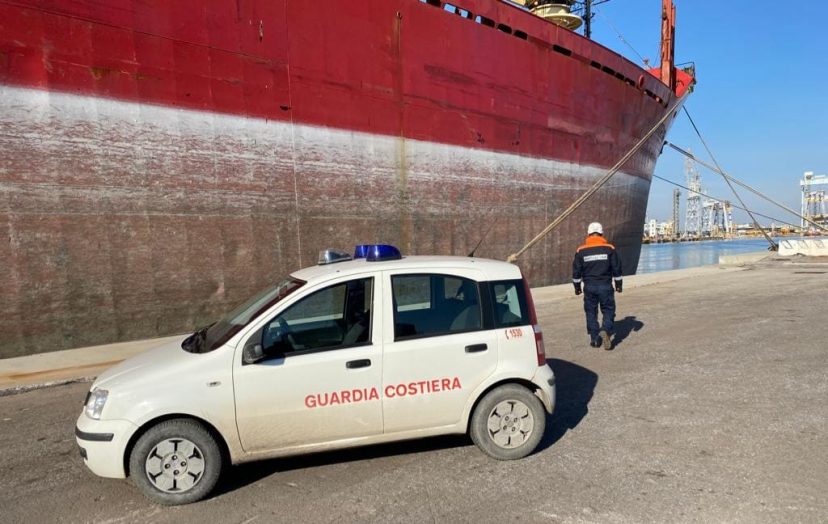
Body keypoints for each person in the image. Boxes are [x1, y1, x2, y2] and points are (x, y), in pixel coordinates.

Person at [572, 222, 623, 350]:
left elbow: (576, 271)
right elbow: (617, 268)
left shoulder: (581, 251)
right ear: (601, 233)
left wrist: (577, 287)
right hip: (605, 285)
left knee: (591, 312)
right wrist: (618, 285)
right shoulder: (609, 248)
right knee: (608, 310)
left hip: (589, 287)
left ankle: (595, 339)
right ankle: (605, 330)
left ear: (588, 234)